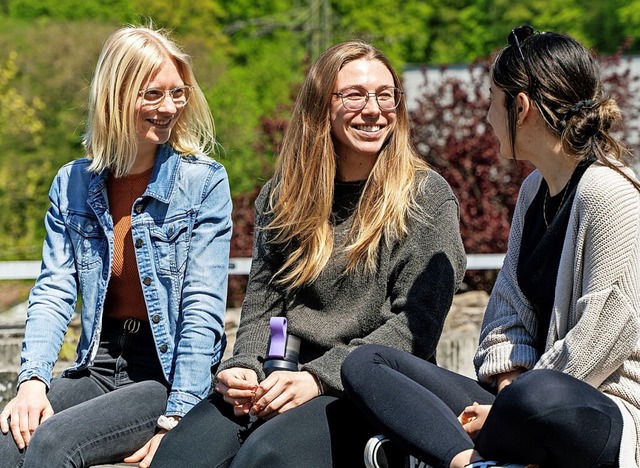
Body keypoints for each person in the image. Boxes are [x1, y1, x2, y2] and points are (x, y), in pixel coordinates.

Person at [149, 40, 467, 467]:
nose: (373, 109)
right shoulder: (283, 197)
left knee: (265, 459)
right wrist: (245, 367)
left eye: (385, 94)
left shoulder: (426, 198)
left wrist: (317, 379)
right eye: (354, 94)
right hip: (281, 376)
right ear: (322, 107)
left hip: (366, 388)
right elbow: (265, 309)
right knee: (180, 457)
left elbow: (415, 327)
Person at [341, 25, 640, 468]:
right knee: (366, 364)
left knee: (539, 396)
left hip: (595, 410)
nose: (487, 116)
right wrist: (507, 387)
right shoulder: (534, 190)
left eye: (492, 101)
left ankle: (443, 446)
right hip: (521, 400)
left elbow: (601, 340)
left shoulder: (608, 193)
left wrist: (510, 405)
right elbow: (506, 312)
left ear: (520, 108)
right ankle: (470, 462)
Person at [0, 25, 232, 467]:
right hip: (100, 363)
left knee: (53, 445)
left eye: (178, 93)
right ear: (115, 97)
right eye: (153, 95)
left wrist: (179, 415)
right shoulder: (72, 183)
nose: (169, 108)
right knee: (9, 440)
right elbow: (53, 291)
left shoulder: (202, 183)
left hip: (161, 373)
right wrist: (31, 381)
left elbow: (203, 307)